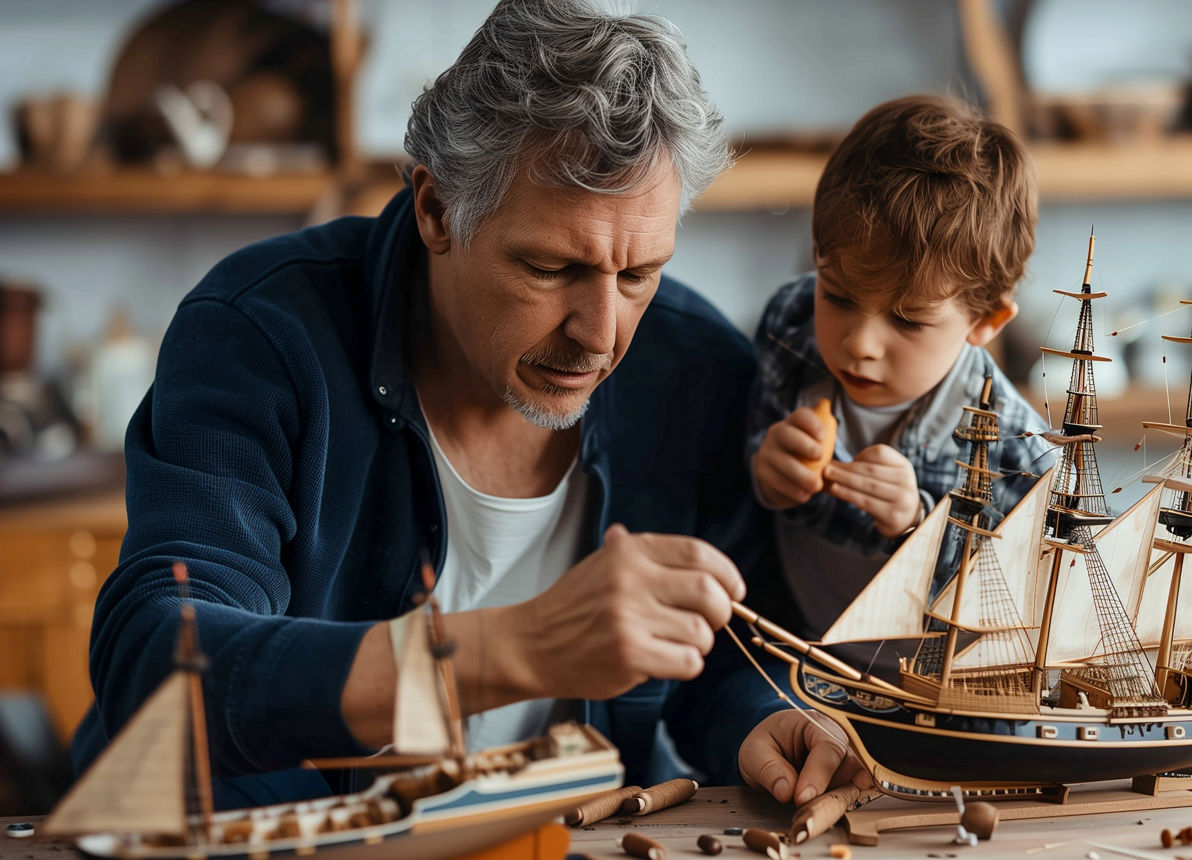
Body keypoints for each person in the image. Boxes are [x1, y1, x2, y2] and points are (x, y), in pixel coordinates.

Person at [71, 0, 863, 811]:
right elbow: (162, 665)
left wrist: (764, 721)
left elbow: (718, 660)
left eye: (637, 275)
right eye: (551, 268)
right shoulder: (259, 335)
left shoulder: (697, 369)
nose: (600, 335)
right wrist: (516, 650)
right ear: (437, 209)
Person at [748, 94, 1052, 641]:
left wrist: (917, 522)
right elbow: (738, 469)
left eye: (909, 321)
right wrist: (765, 472)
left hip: (933, 683)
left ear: (985, 321)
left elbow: (1015, 603)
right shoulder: (789, 326)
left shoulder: (1018, 453)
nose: (861, 344)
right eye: (838, 296)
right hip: (797, 643)